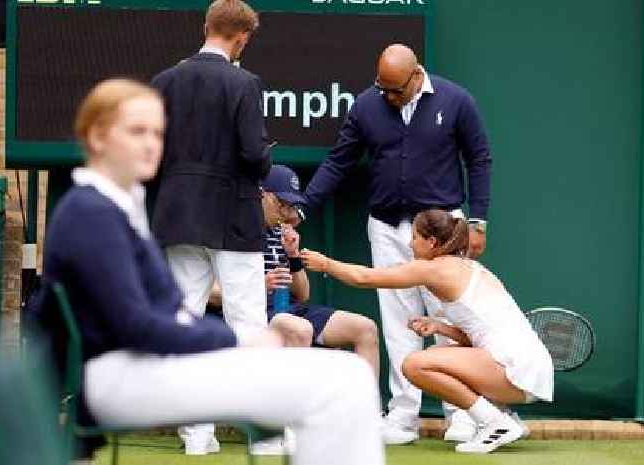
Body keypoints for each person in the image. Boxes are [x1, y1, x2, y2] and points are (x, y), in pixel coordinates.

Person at [33, 78, 384, 465]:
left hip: (142, 365)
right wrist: (239, 339)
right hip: (115, 376)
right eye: (136, 131)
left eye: (157, 132)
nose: (151, 143)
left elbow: (166, 311)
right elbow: (135, 325)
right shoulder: (90, 212)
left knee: (346, 377)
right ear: (97, 137)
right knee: (341, 383)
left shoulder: (120, 205)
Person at [303, 43, 493, 443]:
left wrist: (477, 220)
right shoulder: (367, 105)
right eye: (381, 88)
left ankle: (460, 413)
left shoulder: (456, 100)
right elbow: (339, 161)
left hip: (444, 231)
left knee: (449, 321)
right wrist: (304, 206)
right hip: (387, 226)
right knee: (398, 322)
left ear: (415, 75)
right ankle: (403, 416)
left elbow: (479, 159)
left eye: (394, 90)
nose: (386, 97)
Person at [300, 209, 553, 453]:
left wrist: (325, 264)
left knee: (415, 365)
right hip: (528, 371)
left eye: (414, 238)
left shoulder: (432, 269)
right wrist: (440, 327)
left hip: (515, 371)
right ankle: (504, 416)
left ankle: (495, 423)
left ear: (432, 242)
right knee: (438, 350)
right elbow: (476, 338)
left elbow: (364, 278)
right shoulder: (469, 267)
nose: (410, 245)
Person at [149, 0, 272, 452]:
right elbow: (255, 156)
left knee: (186, 322)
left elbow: (152, 153)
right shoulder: (245, 83)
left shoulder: (164, 82)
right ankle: (261, 432)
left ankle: (196, 433)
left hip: (178, 214)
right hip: (233, 216)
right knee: (249, 323)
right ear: (242, 38)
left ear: (206, 28)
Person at [208, 165, 380, 455]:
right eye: (282, 203)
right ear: (261, 195)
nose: (287, 212)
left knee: (365, 328)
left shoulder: (280, 231)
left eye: (292, 205)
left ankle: (365, 421)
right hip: (252, 314)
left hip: (288, 309)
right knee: (297, 328)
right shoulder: (231, 227)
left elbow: (303, 293)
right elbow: (209, 293)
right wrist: (260, 284)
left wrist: (293, 258)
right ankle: (292, 423)